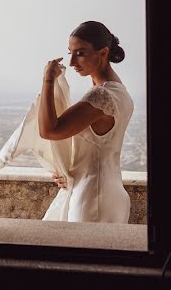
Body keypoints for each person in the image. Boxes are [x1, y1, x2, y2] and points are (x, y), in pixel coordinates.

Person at [39, 20, 134, 223]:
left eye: (80, 53)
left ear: (103, 53)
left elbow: (49, 130)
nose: (72, 61)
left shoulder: (102, 97)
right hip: (109, 192)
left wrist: (48, 80)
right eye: (70, 53)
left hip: (92, 197)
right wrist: (70, 172)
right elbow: (97, 149)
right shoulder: (119, 92)